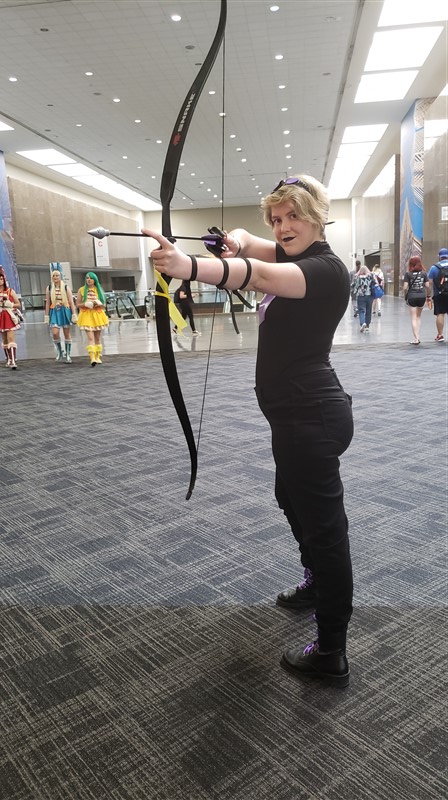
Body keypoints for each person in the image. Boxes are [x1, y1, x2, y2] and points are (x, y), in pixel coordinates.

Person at [144, 173, 354, 687]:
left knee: (325, 530)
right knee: (289, 498)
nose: (283, 227)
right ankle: (314, 583)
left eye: (294, 216)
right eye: (277, 219)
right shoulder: (292, 251)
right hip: (294, 416)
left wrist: (190, 267)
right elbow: (248, 245)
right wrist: (231, 241)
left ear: (317, 216)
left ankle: (331, 649)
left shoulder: (324, 269)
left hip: (311, 417)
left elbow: (257, 274)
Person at [44, 268, 77, 362]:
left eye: (57, 275)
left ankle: (68, 354)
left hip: (64, 310)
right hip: (54, 311)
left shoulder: (66, 287)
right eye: (54, 276)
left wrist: (74, 314)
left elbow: (71, 302)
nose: (55, 277)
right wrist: (46, 316)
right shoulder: (49, 288)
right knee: (55, 333)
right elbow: (48, 302)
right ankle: (59, 351)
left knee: (66, 333)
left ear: (60, 276)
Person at [76, 272, 109, 366]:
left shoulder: (98, 290)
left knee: (97, 338)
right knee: (90, 337)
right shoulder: (81, 290)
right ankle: (92, 358)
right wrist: (85, 304)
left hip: (97, 315)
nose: (89, 280)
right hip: (86, 316)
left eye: (91, 278)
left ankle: (98, 357)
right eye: (87, 278)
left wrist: (99, 304)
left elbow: (104, 305)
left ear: (95, 280)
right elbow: (77, 304)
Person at [402, 256, 430, 345]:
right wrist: (428, 296)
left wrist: (405, 294)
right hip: (422, 296)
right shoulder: (424, 273)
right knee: (418, 317)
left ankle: (416, 338)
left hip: (412, 296)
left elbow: (405, 287)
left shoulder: (408, 274)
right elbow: (427, 285)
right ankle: (418, 336)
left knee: (413, 317)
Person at [0, 266, 21, 369]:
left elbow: (18, 304)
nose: (0, 280)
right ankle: (8, 358)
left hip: (9, 317)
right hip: (0, 317)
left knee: (11, 338)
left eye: (1, 278)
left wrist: (11, 304)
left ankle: (13, 360)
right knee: (4, 340)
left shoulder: (10, 291)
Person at [427, 248, 448, 342]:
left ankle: (440, 335)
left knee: (440, 314)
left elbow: (430, 283)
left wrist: (428, 295)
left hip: (439, 294)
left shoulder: (434, 268)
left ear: (439, 257)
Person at [351, 265, 376, 332]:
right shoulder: (371, 276)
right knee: (369, 310)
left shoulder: (357, 277)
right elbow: (375, 283)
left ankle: (362, 323)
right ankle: (367, 325)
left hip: (360, 296)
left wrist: (354, 291)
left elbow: (353, 286)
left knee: (361, 310)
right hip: (369, 296)